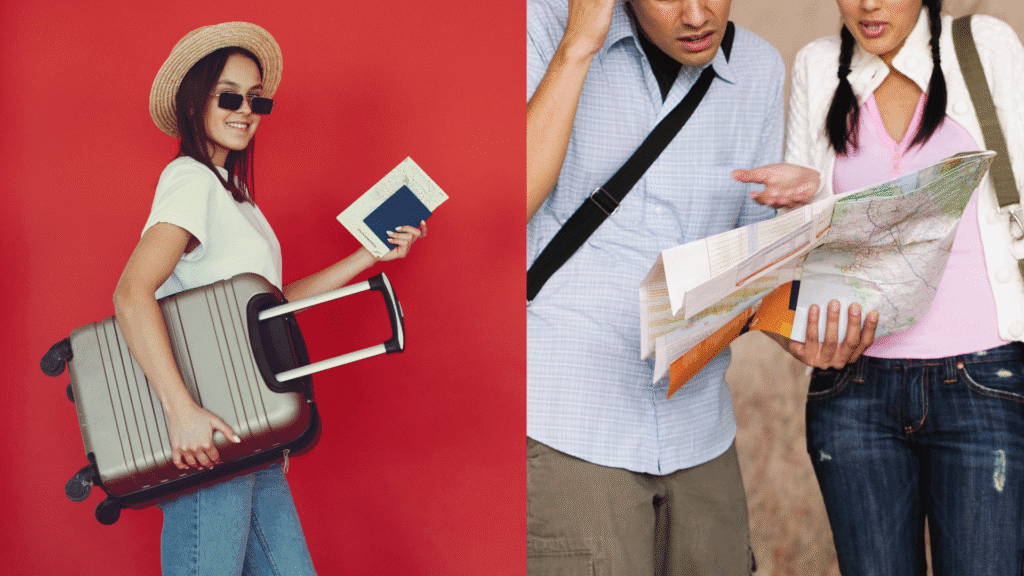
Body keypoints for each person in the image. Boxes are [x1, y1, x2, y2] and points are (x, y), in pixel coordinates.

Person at [112, 22, 426, 575]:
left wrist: (368, 255)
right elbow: (131, 294)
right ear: (194, 102)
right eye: (229, 96)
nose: (245, 110)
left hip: (252, 435)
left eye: (256, 99)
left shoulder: (235, 197)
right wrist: (181, 413)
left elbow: (271, 304)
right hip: (212, 434)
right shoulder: (191, 180)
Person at [761, 0, 1024, 573]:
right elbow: (800, 255)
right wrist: (805, 199)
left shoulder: (984, 47)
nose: (867, 5)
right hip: (854, 393)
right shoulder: (818, 64)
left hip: (984, 383)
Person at [526, 0, 787, 573]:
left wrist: (802, 222)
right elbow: (504, 204)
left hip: (699, 424)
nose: (697, 15)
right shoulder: (545, 27)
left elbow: (755, 265)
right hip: (572, 422)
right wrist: (577, 48)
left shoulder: (760, 69)